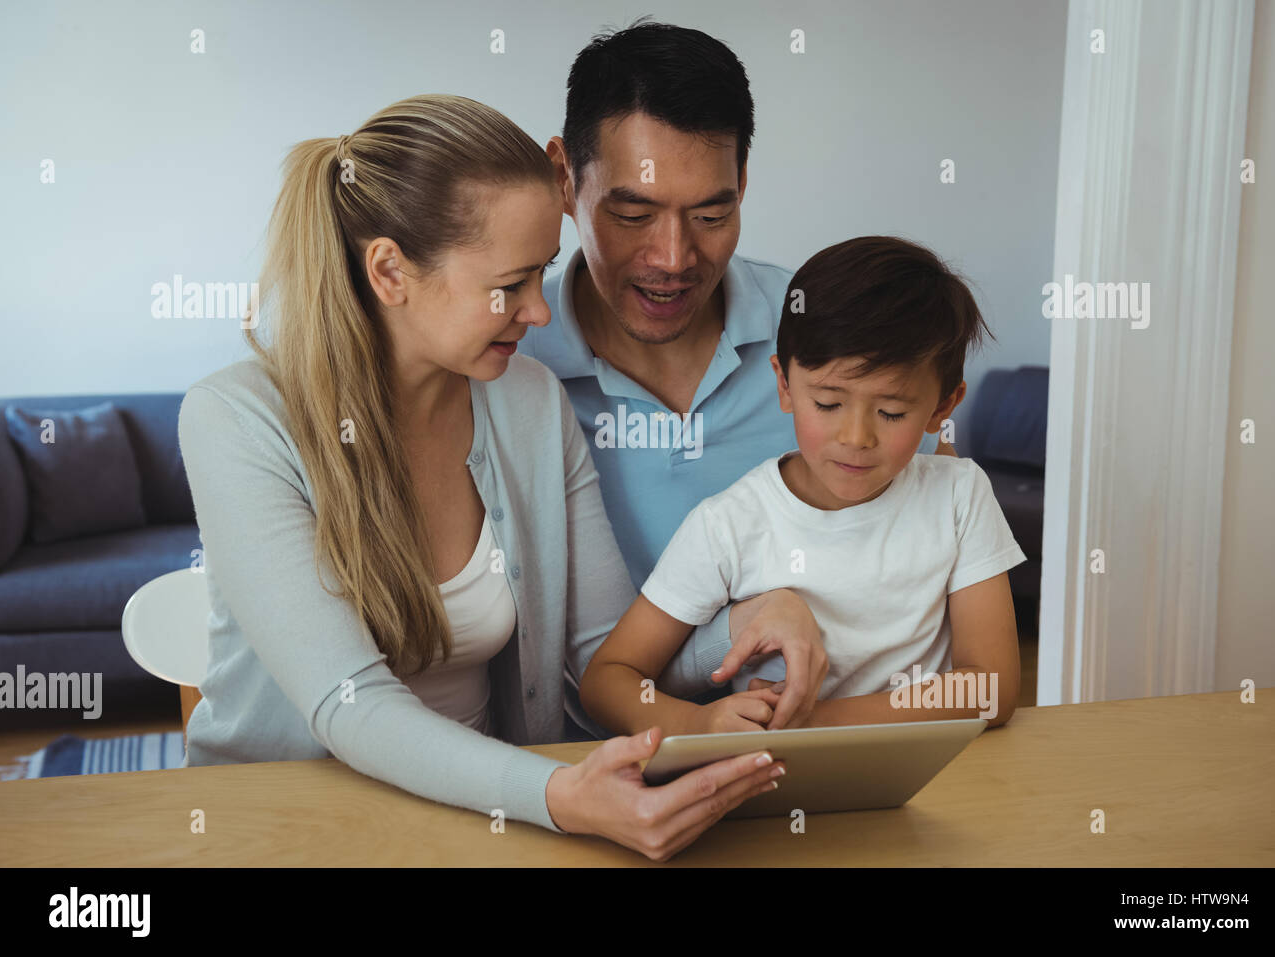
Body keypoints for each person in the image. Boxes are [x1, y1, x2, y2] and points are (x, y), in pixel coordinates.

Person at [177, 93, 785, 862]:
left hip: (487, 822)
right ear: (391, 270)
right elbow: (348, 703)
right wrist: (558, 797)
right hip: (284, 824)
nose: (539, 312)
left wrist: (750, 626)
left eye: (545, 275)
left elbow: (604, 650)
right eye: (513, 282)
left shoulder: (528, 401)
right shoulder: (236, 418)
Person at [523, 19, 953, 725]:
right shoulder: (507, 364)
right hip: (588, 769)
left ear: (743, 183)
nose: (673, 257)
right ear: (563, 177)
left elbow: (938, 549)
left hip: (824, 772)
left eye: (712, 213)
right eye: (632, 213)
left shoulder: (828, 339)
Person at [580, 236, 1026, 735]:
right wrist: (700, 726)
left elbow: (992, 686)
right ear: (785, 385)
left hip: (936, 780)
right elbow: (608, 680)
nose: (856, 438)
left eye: (891, 412)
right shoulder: (729, 524)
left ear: (942, 407)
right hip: (774, 780)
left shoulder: (959, 495)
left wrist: (811, 723)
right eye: (829, 404)